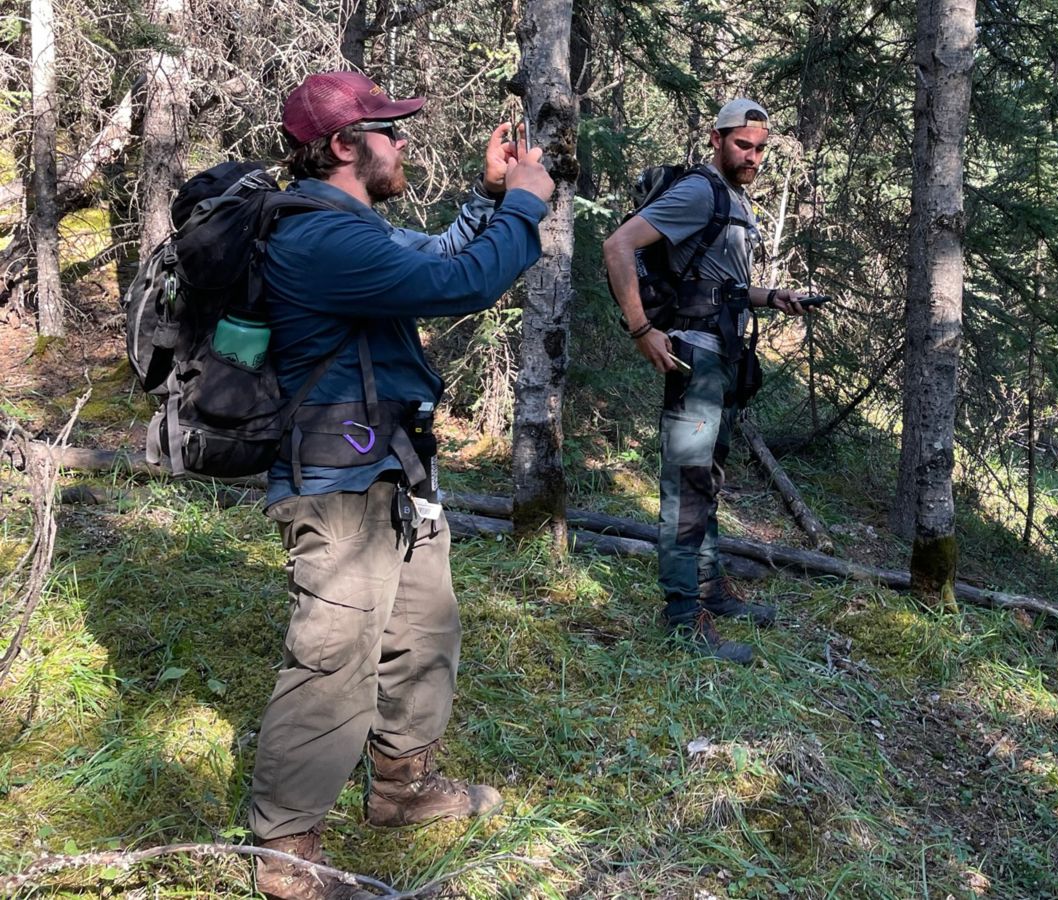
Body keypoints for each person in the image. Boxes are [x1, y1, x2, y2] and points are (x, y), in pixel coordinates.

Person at [248, 70, 554, 900]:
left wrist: (487, 198)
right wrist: (526, 203)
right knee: (333, 663)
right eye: (391, 129)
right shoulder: (319, 239)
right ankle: (286, 856)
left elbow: (438, 255)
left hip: (392, 473)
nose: (404, 140)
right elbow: (460, 284)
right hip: (337, 484)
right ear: (345, 146)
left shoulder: (353, 227)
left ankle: (401, 791)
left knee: (425, 634)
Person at [602, 98, 818, 665]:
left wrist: (772, 297)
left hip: (723, 355)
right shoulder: (700, 191)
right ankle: (681, 616)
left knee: (708, 479)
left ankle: (711, 593)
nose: (753, 156)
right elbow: (617, 245)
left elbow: (716, 286)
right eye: (743, 145)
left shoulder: (731, 200)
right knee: (687, 486)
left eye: (761, 147)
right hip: (693, 357)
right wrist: (642, 328)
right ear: (718, 139)